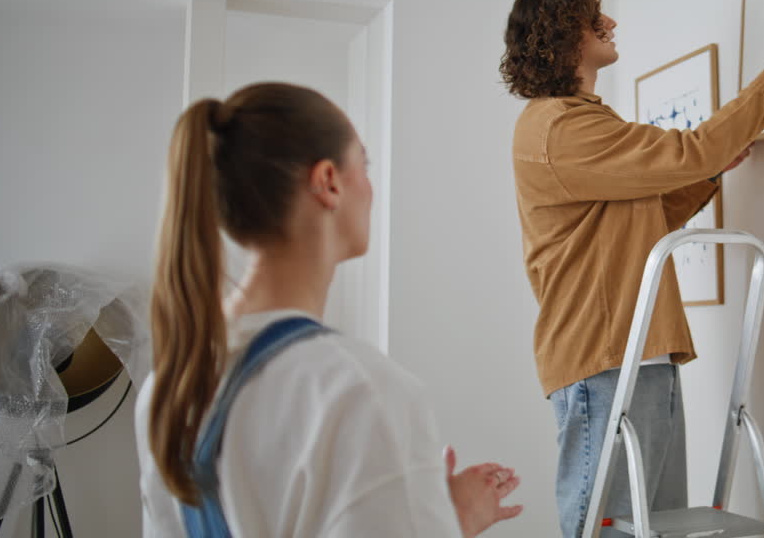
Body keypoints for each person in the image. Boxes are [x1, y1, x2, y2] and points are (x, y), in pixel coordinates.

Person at [501, 0, 764, 537]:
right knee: (606, 531)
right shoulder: (558, 129)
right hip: (602, 359)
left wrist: (711, 169)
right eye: (594, 13)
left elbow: (645, 215)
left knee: (654, 529)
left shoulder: (582, 124)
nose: (611, 22)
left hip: (638, 354)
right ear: (562, 30)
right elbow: (688, 152)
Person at [134, 83, 522, 537]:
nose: (372, 187)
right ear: (328, 182)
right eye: (365, 164)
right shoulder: (361, 392)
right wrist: (457, 522)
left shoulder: (171, 387)